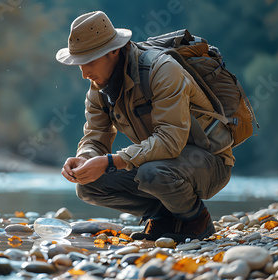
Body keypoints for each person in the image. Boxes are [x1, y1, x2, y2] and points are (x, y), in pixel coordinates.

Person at [56, 11, 233, 241]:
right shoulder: (98, 87)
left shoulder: (162, 70)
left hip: (210, 162)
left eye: (89, 61)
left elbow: (170, 141)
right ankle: (162, 217)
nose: (84, 73)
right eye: (79, 63)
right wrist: (85, 158)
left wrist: (111, 161)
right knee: (88, 185)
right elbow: (95, 137)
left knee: (152, 173)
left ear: (113, 51)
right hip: (160, 162)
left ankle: (196, 220)